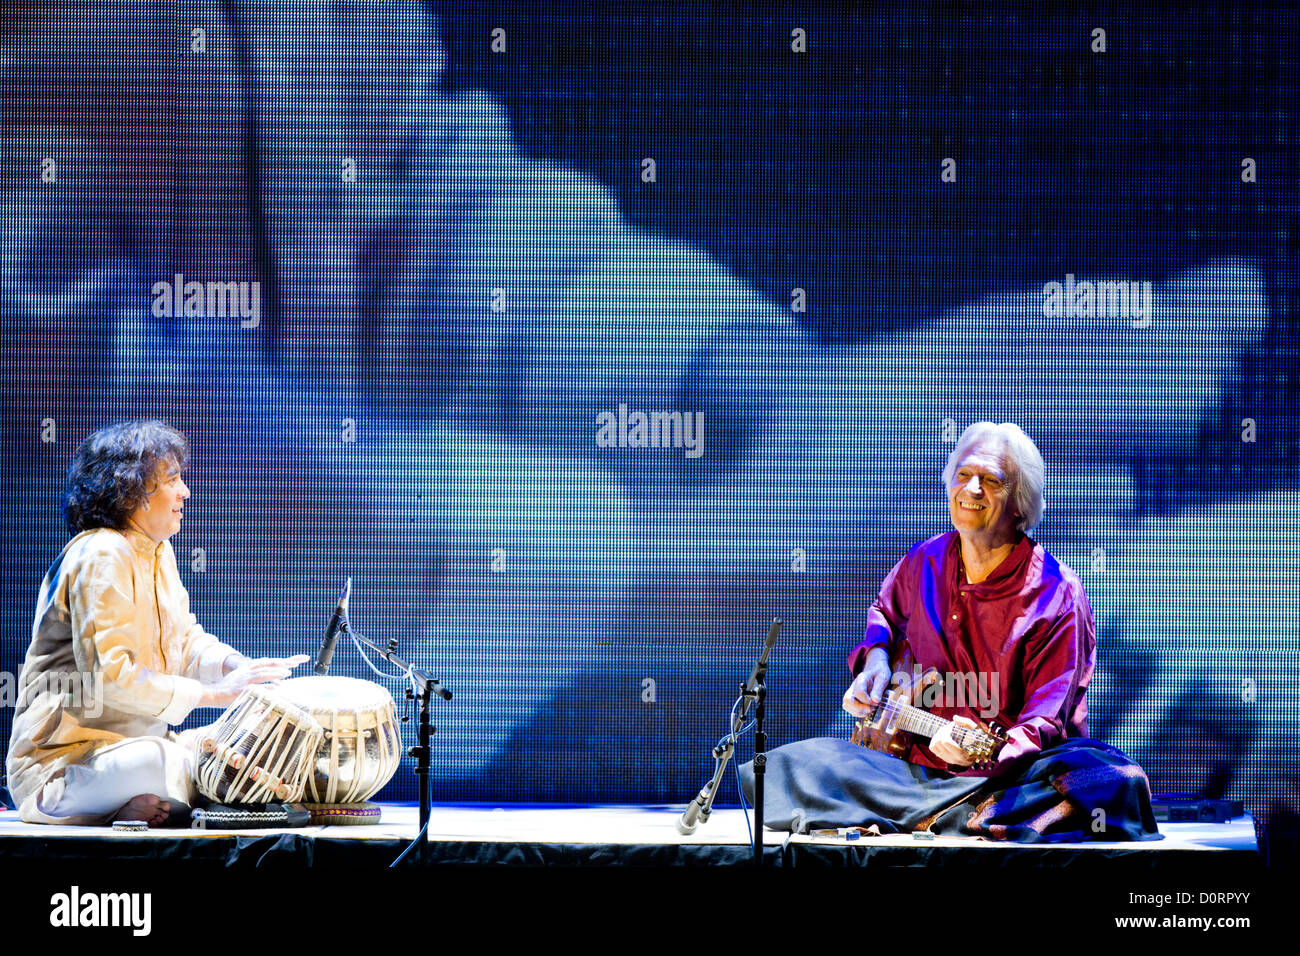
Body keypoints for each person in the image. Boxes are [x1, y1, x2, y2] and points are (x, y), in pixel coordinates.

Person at [742, 421, 1159, 842]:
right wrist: (876, 662)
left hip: (1004, 777)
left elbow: (1046, 721)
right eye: (963, 475)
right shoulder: (924, 560)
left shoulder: (1057, 594)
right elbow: (883, 614)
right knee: (783, 767)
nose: (972, 489)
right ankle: (951, 816)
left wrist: (989, 753)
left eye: (991, 480)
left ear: (1020, 503)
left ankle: (940, 813)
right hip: (910, 771)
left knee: (1109, 780)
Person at [5, 420, 309, 826]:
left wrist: (240, 670)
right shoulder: (101, 552)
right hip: (67, 760)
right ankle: (80, 803)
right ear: (132, 490)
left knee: (243, 742)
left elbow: (186, 640)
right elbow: (109, 678)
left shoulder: (158, 551)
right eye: (172, 479)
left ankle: (122, 807)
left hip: (134, 748)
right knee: (159, 760)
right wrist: (217, 695)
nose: (185, 491)